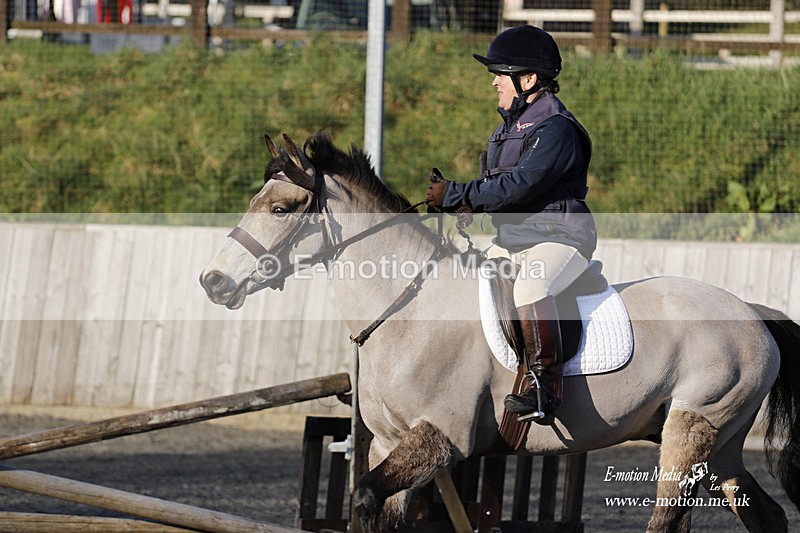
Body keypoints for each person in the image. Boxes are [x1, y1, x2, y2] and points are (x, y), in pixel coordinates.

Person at [425, 25, 597, 425]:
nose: (495, 84)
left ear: (529, 79)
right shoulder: (508, 128)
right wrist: (466, 203)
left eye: (500, 75)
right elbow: (496, 184)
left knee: (531, 285)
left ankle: (544, 387)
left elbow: (519, 185)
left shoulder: (556, 129)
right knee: (469, 282)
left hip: (562, 239)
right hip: (518, 239)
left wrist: (456, 194)